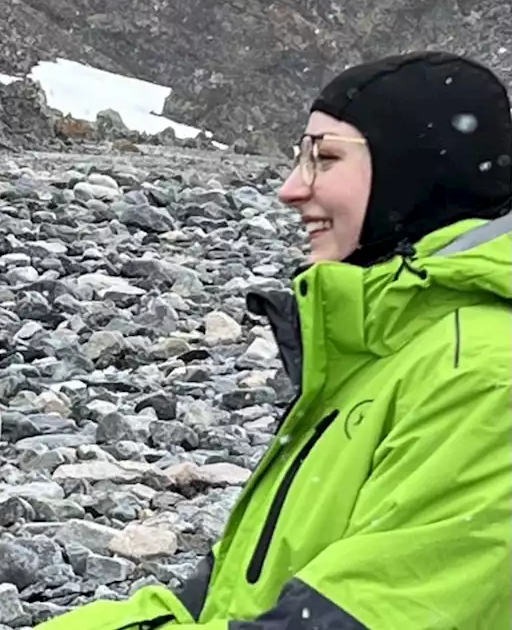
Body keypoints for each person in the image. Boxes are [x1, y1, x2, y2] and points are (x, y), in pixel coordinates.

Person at [36, 50, 512, 629]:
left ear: (415, 175)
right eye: (299, 158)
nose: (291, 189)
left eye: (325, 159)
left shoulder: (485, 375)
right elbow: (219, 602)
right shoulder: (384, 351)